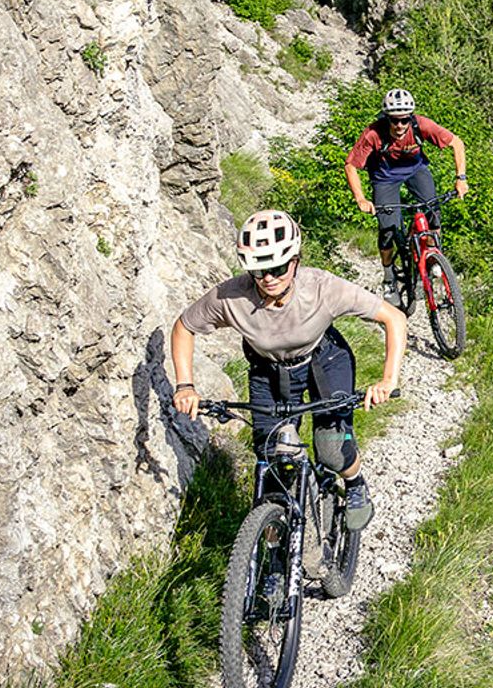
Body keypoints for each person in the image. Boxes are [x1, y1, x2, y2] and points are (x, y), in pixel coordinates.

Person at [170, 209, 406, 530]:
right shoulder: (231, 297)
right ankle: (269, 550)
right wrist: (185, 385)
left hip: (324, 360)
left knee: (331, 449)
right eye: (258, 269)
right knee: (270, 457)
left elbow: (394, 318)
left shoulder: (322, 288)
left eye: (278, 267)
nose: (268, 277)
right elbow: (184, 327)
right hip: (268, 370)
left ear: (294, 261)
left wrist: (387, 380)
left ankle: (355, 484)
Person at [344, 87, 468, 306]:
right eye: (394, 120)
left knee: (433, 213)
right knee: (388, 231)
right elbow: (351, 165)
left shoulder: (421, 125)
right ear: (387, 118)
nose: (399, 126)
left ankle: (432, 257)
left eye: (404, 120)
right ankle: (389, 278)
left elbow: (457, 143)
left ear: (411, 118)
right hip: (384, 178)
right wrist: (361, 199)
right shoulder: (373, 133)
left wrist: (461, 178)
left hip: (416, 171)